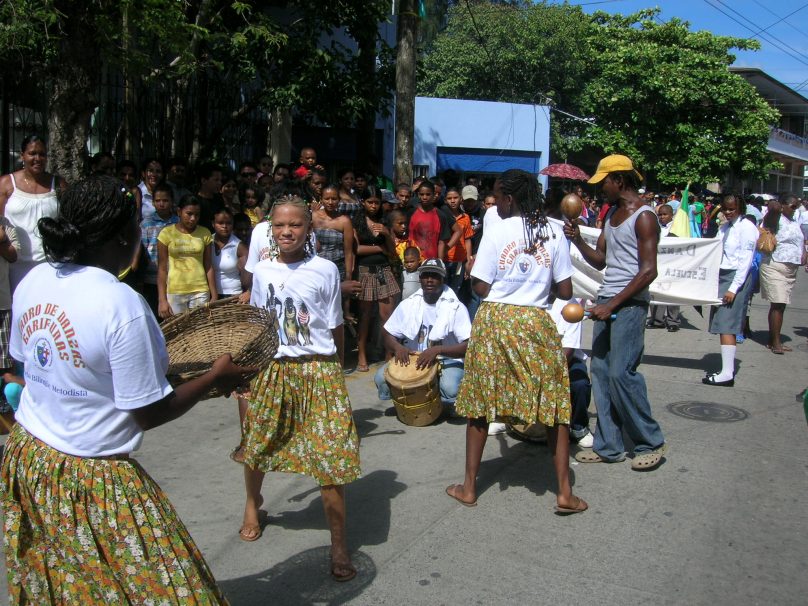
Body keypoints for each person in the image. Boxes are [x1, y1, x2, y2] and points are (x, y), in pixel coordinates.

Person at [0, 175, 254, 603]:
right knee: (173, 590)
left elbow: (32, 363)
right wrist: (214, 379)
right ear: (125, 237)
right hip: (92, 475)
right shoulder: (120, 303)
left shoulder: (35, 278)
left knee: (68, 585)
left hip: (28, 457)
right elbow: (149, 411)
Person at [445, 169, 586, 513]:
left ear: (509, 198)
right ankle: (565, 493)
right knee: (554, 406)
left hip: (495, 319)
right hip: (536, 321)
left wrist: (508, 289)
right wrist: (536, 287)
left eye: (497, 196)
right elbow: (565, 291)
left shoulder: (497, 229)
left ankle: (468, 488)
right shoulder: (554, 232)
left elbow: (479, 286)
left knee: (480, 405)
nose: (495, 204)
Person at [241, 196, 360, 582]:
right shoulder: (262, 271)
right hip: (273, 370)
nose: (286, 232)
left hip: (319, 370)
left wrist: (339, 371)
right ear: (270, 229)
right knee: (257, 441)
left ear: (308, 229)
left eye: (294, 225)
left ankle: (339, 544)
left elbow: (334, 323)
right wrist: (248, 372)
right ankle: (251, 503)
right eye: (279, 225)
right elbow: (259, 324)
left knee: (331, 455)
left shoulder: (325, 270)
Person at [563, 154, 666, 470]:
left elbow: (649, 271)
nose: (600, 189)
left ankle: (650, 442)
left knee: (622, 373)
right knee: (602, 373)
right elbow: (600, 261)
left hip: (629, 305)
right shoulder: (611, 215)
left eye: (603, 182)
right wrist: (578, 240)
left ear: (619, 180)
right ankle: (609, 445)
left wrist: (613, 304)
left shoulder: (644, 217)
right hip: (607, 302)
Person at [375, 259, 470, 414]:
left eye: (435, 276)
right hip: (414, 358)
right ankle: (407, 401)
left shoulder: (456, 307)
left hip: (446, 359)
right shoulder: (409, 304)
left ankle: (447, 402)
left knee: (450, 388)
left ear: (443, 279)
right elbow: (387, 333)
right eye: (426, 275)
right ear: (420, 278)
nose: (429, 280)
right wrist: (397, 347)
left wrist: (438, 350)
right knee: (381, 378)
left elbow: (468, 346)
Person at [702, 194, 758, 385]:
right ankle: (726, 370)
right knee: (721, 323)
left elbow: (745, 261)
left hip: (735, 278)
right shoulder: (725, 227)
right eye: (725, 208)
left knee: (727, 323)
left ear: (740, 207)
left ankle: (727, 373)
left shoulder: (747, 228)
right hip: (722, 275)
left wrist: (733, 288)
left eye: (732, 209)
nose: (727, 212)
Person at [0, 135, 65, 290]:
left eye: (42, 154)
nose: (37, 158)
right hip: (14, 266)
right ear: (22, 155)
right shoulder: (6, 184)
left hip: (50, 265)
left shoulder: (58, 184)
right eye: (32, 153)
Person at [352, 186, 400, 371]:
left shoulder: (384, 221)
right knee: (365, 316)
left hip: (384, 270)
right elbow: (356, 249)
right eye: (369, 202)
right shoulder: (356, 222)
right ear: (363, 202)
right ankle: (361, 353)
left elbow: (393, 253)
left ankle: (388, 353)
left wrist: (387, 234)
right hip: (364, 270)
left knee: (386, 316)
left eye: (376, 202)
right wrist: (381, 248)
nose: (373, 206)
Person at [157, 195, 217, 319]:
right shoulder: (166, 234)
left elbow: (209, 266)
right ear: (179, 212)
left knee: (200, 331)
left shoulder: (205, 233)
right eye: (189, 214)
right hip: (175, 291)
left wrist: (214, 295)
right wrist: (162, 300)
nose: (193, 218)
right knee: (178, 332)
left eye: (197, 215)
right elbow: (162, 269)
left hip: (200, 290)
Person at [759, 193, 806, 355]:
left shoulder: (794, 220)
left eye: (797, 206)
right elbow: (772, 208)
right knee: (777, 303)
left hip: (791, 269)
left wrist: (804, 252)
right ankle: (776, 343)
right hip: (774, 265)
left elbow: (799, 240)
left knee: (781, 304)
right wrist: (776, 205)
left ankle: (773, 338)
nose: (795, 209)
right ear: (783, 205)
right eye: (793, 206)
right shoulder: (774, 218)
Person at [140, 184, 179, 315]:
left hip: (175, 278)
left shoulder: (178, 223)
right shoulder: (146, 223)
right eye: (158, 201)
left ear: (172, 202)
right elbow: (142, 251)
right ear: (153, 202)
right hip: (151, 278)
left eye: (165, 200)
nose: (161, 204)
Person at [647, 203, 681, 332]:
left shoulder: (677, 228)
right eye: (659, 215)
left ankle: (673, 321)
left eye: (665, 214)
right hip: (658, 263)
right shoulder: (655, 227)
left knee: (672, 294)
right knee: (656, 292)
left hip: (673, 264)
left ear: (671, 215)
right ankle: (657, 320)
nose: (662, 217)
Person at [211, 206, 248, 298]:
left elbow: (249, 273)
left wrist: (248, 292)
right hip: (211, 293)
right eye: (220, 223)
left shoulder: (239, 246)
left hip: (233, 295)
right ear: (213, 224)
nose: (224, 226)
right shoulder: (207, 242)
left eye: (228, 223)